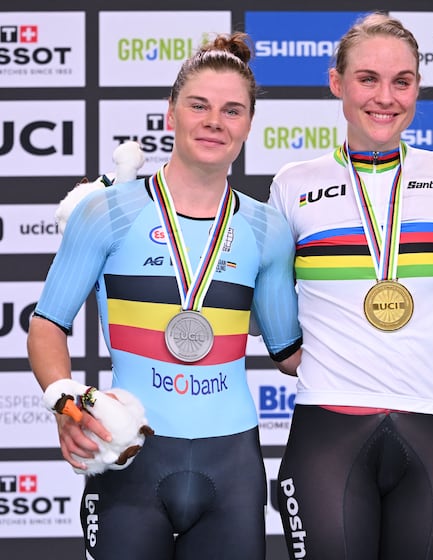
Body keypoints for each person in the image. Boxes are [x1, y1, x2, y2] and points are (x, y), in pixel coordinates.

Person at [27, 32, 302, 560]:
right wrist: (65, 403)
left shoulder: (267, 228)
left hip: (233, 467)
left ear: (248, 124)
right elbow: (47, 325)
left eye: (232, 110)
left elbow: (290, 356)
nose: (214, 121)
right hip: (129, 457)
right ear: (170, 114)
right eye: (198, 105)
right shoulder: (106, 211)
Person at [267, 12, 433, 560]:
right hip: (329, 426)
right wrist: (290, 351)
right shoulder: (293, 183)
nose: (385, 97)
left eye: (402, 81)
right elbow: (267, 291)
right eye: (367, 79)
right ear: (337, 83)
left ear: (416, 88)